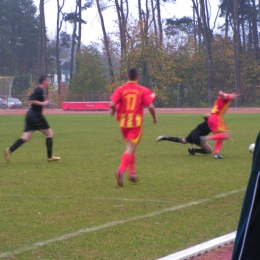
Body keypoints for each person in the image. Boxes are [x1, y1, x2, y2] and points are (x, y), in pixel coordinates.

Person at [110, 68, 157, 187]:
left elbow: (111, 104)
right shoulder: (142, 90)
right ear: (138, 77)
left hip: (123, 124)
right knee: (130, 148)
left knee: (131, 146)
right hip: (135, 124)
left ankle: (132, 173)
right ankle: (121, 171)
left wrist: (113, 111)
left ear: (127, 76)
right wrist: (154, 117)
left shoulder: (120, 89)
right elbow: (151, 107)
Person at [4, 76, 60, 162]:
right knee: (50, 134)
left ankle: (9, 150)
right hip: (36, 116)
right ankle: (49, 157)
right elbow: (31, 100)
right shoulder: (39, 90)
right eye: (48, 81)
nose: (49, 82)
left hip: (30, 116)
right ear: (43, 81)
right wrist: (43, 103)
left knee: (25, 138)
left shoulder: (40, 91)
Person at [200, 89, 240, 159]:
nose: (237, 98)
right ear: (233, 93)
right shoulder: (228, 97)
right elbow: (224, 96)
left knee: (220, 137)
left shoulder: (226, 97)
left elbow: (221, 96)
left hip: (211, 117)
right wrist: (222, 94)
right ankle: (205, 138)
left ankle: (216, 154)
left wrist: (221, 94)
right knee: (225, 135)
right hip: (216, 117)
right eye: (237, 96)